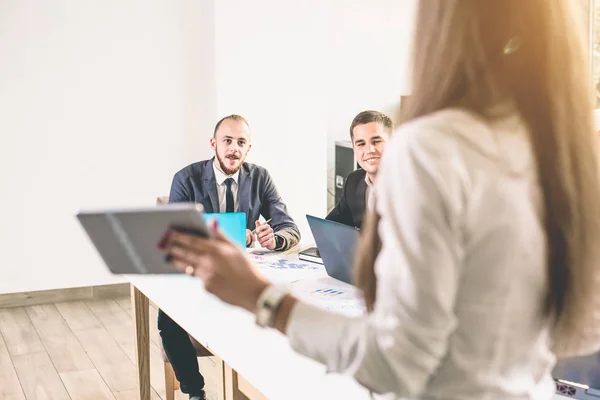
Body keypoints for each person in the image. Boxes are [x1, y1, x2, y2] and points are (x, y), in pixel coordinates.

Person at [160, 1, 600, 399]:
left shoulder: (432, 148)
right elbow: (579, 330)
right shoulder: (574, 154)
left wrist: (260, 296)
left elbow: (394, 363)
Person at [158, 114, 300, 400]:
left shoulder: (260, 177)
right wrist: (235, 237)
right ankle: (194, 391)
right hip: (197, 272)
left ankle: (259, 389)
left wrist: (275, 239)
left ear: (248, 149)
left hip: (242, 275)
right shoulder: (186, 178)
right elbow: (177, 235)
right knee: (167, 321)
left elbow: (290, 228)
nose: (233, 148)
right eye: (227, 141)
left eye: (241, 142)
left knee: (276, 311)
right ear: (214, 143)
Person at [326, 110, 392, 228]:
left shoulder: (411, 186)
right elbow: (330, 226)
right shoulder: (354, 181)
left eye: (376, 141)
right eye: (361, 144)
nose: (370, 150)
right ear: (354, 148)